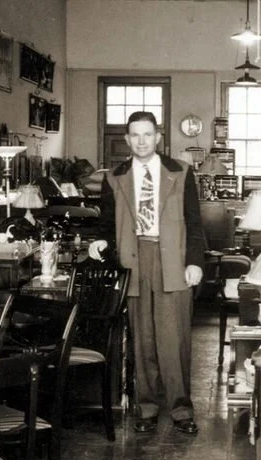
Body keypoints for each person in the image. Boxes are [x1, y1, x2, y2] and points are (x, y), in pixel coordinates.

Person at [89, 111, 206, 435]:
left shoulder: (180, 172)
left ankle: (182, 411)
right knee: (142, 340)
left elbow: (194, 222)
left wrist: (194, 262)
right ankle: (148, 409)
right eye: (135, 135)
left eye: (147, 134)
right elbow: (106, 223)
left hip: (173, 260)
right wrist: (100, 240)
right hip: (134, 259)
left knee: (174, 340)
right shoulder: (114, 177)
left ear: (158, 137)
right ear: (127, 140)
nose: (141, 141)